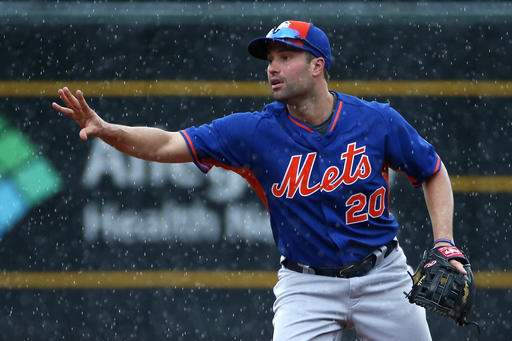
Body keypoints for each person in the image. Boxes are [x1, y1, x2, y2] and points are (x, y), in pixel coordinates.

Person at [53, 20, 468, 341]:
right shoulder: (253, 132)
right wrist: (107, 130)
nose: (272, 68)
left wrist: (444, 241)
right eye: (270, 59)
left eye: (285, 56)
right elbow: (166, 145)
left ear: (317, 65)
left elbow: (432, 171)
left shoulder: (375, 121)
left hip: (383, 275)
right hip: (307, 285)